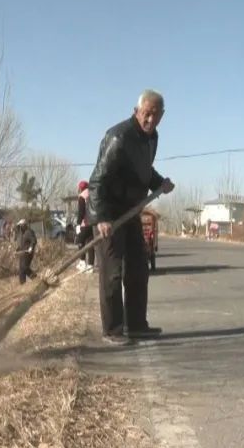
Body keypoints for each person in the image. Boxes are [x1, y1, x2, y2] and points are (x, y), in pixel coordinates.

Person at [87, 89, 175, 345]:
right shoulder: (118, 137)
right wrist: (101, 217)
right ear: (137, 111)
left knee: (138, 269)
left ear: (162, 116)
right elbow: (96, 182)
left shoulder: (151, 138)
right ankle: (112, 330)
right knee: (112, 273)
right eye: (146, 114)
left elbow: (143, 171)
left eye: (155, 116)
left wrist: (160, 182)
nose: (150, 120)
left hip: (132, 211)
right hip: (110, 214)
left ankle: (136, 325)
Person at [74, 180, 95, 272]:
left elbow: (81, 212)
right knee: (90, 244)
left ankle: (82, 262)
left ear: (81, 188)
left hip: (84, 223)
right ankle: (90, 265)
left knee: (80, 241)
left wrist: (78, 224)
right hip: (93, 223)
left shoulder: (82, 196)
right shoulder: (92, 195)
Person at [14, 218, 38, 284]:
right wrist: (17, 249)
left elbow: (34, 241)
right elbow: (21, 244)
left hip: (28, 253)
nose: (20, 227)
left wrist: (31, 247)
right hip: (22, 253)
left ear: (24, 225)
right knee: (21, 270)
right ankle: (22, 284)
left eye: (21, 225)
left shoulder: (29, 232)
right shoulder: (21, 233)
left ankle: (35, 278)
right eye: (19, 226)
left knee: (25, 267)